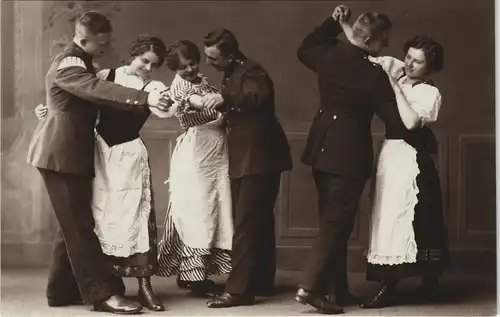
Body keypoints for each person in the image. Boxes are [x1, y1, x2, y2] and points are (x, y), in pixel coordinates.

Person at [26, 11, 169, 315]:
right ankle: (102, 295)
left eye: (107, 40)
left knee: (71, 224)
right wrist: (144, 99)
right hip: (60, 155)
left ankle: (60, 291)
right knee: (79, 226)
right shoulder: (71, 63)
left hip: (68, 153)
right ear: (83, 39)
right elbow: (95, 89)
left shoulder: (82, 60)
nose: (106, 45)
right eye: (100, 42)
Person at [293, 5, 410, 314]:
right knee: (335, 224)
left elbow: (304, 49)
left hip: (321, 148)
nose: (385, 46)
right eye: (383, 41)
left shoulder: (329, 55)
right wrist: (399, 86)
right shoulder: (373, 74)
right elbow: (396, 122)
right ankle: (310, 288)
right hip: (348, 156)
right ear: (371, 41)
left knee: (333, 222)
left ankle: (335, 289)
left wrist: (333, 23)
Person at [201, 28, 293, 308]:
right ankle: (260, 281)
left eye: (213, 59)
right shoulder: (234, 71)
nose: (209, 64)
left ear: (229, 55)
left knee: (246, 223)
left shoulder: (252, 72)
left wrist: (224, 99)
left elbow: (256, 97)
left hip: (258, 157)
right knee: (258, 221)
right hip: (251, 156)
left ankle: (239, 291)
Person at [359, 35, 449, 308]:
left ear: (429, 68)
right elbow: (367, 55)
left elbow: (410, 123)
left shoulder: (428, 93)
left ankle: (415, 283)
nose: (410, 64)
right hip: (391, 154)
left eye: (418, 61)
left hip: (413, 159)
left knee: (417, 216)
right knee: (389, 215)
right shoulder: (398, 71)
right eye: (408, 57)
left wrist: (395, 87)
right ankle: (397, 282)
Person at [155, 40, 233, 297]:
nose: (188, 70)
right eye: (181, 67)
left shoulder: (203, 79)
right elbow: (197, 103)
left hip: (216, 151)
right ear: (174, 70)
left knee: (214, 207)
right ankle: (193, 275)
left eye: (191, 64)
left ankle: (198, 272)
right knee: (197, 209)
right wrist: (224, 101)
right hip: (196, 152)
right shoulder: (179, 87)